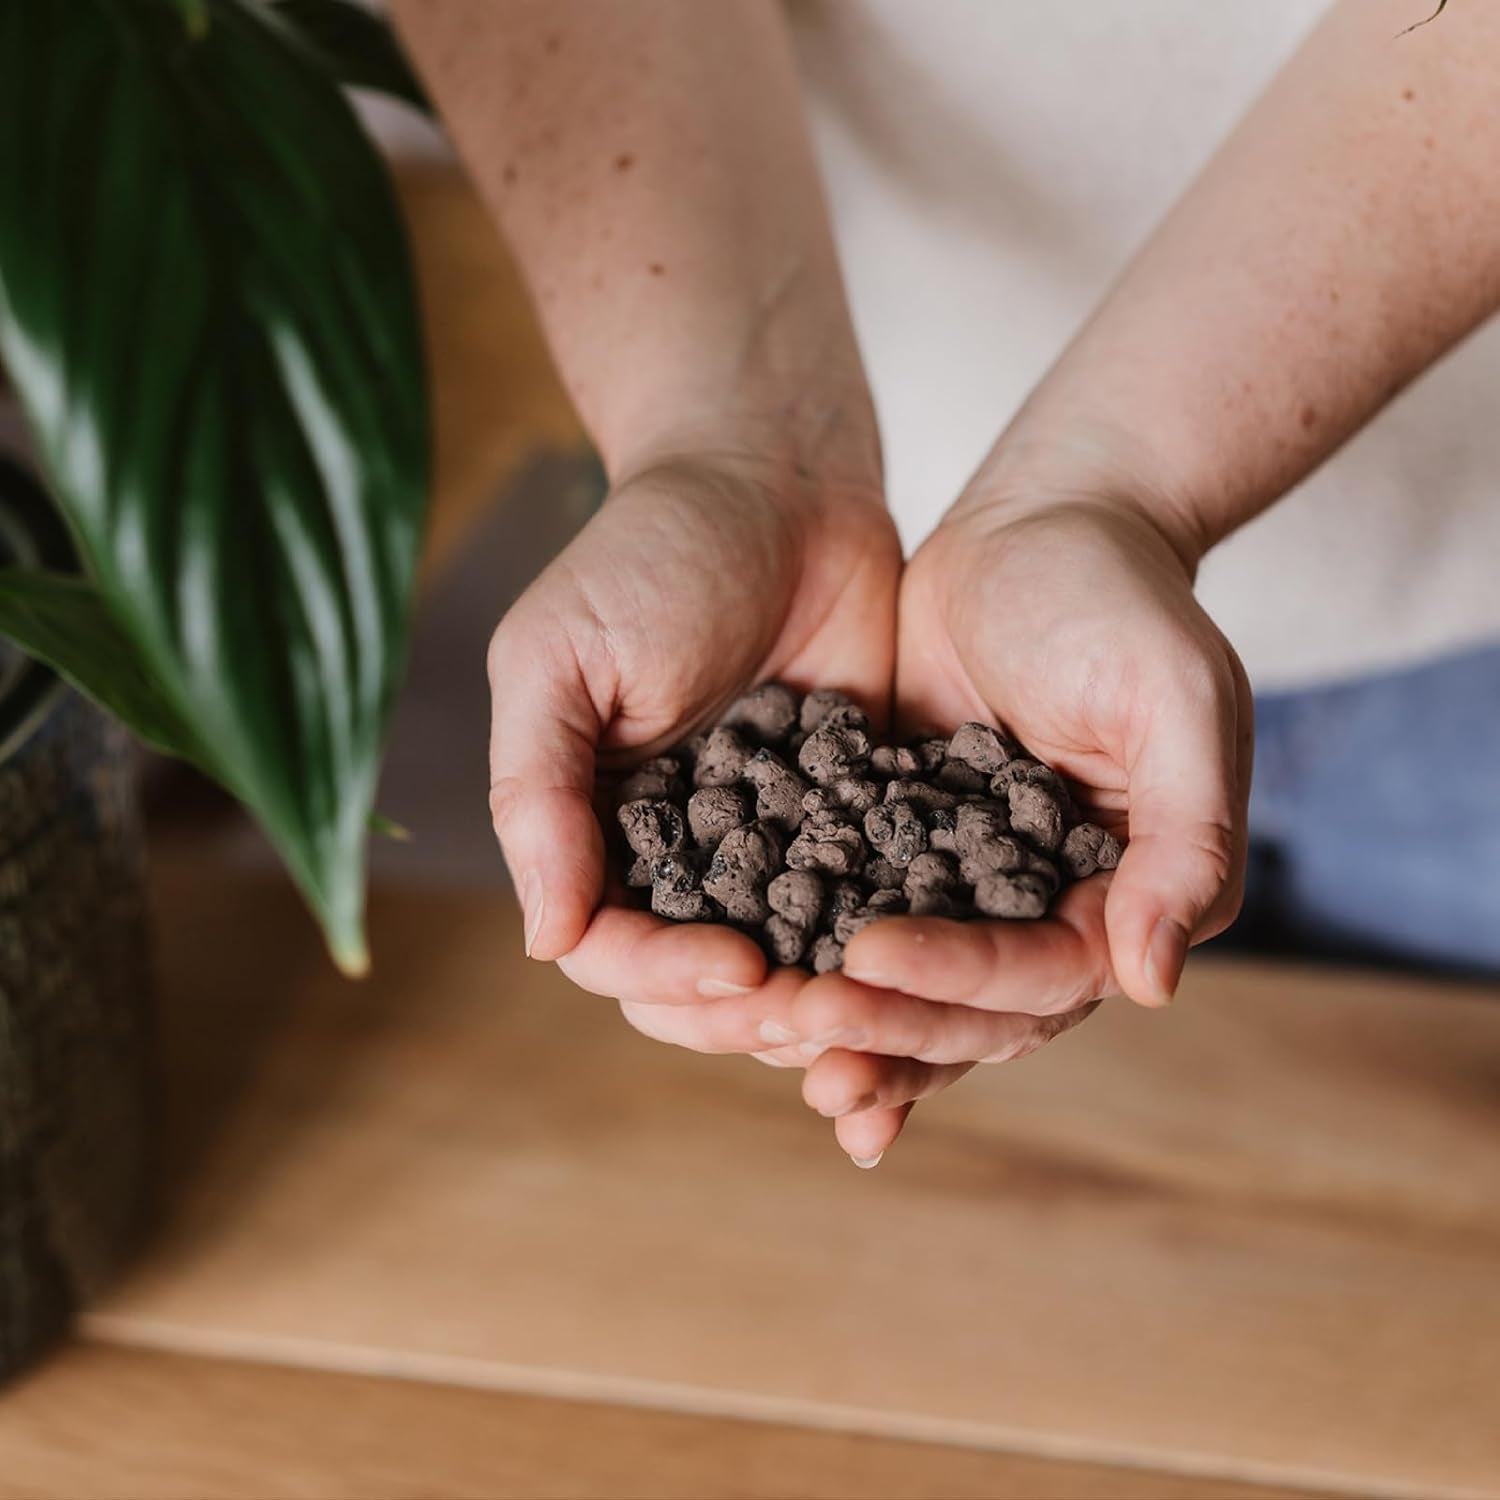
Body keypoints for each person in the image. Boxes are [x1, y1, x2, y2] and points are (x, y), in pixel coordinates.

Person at [392, 0, 1500, 1165]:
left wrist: (1111, 488)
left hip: (1464, 628)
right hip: (808, 395)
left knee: (1406, 1161)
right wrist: (726, 447)